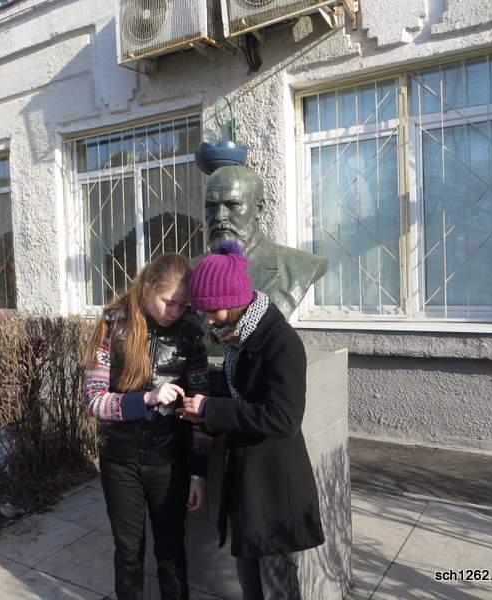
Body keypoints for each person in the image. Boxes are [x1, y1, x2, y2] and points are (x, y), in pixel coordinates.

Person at [179, 241, 324, 600]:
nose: (207, 319)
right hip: (246, 484)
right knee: (250, 583)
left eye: (211, 310)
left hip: (273, 488)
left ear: (231, 301)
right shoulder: (238, 339)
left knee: (277, 587)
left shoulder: (281, 342)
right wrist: (201, 408)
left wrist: (211, 409)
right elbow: (237, 394)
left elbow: (284, 417)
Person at [83, 253, 211, 600]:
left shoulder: (191, 333)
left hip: (169, 461)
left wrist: (198, 472)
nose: (175, 311)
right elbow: (94, 399)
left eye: (183, 305)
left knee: (171, 552)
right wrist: (146, 399)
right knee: (128, 552)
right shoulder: (112, 325)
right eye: (169, 302)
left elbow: (201, 409)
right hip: (120, 460)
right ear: (148, 287)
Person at [203, 165, 328, 319]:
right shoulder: (189, 272)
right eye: (211, 206)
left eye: (233, 205)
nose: (219, 216)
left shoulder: (301, 267)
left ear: (259, 209)